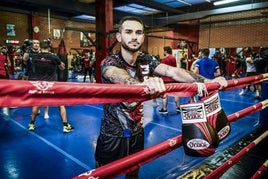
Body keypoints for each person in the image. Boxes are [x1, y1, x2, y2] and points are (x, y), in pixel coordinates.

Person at [95, 16, 227, 178]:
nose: (134, 36)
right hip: (111, 134)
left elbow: (172, 71)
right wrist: (140, 85)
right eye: (128, 32)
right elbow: (116, 75)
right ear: (119, 36)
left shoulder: (145, 59)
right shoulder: (110, 61)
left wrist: (209, 81)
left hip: (137, 131)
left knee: (133, 173)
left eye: (139, 32)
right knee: (102, 175)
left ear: (143, 37)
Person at [24, 40, 74, 133]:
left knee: (36, 104)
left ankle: (31, 124)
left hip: (40, 85)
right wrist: (61, 63)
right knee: (61, 105)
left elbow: (25, 59)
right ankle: (65, 125)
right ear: (49, 48)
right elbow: (62, 67)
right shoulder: (54, 57)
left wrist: (28, 49)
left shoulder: (35, 57)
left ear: (40, 47)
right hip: (52, 85)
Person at [23, 39, 49, 119]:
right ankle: (35, 111)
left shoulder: (42, 53)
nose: (36, 44)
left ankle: (46, 112)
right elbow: (24, 59)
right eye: (34, 43)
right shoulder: (29, 53)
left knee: (44, 94)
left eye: (38, 43)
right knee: (34, 94)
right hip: (32, 76)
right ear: (32, 45)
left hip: (42, 76)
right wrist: (27, 50)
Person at [158, 46, 180, 114]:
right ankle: (178, 107)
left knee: (165, 94)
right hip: (173, 78)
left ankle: (164, 109)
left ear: (165, 51)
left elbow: (161, 70)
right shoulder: (173, 58)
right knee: (176, 94)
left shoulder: (164, 60)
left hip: (166, 80)